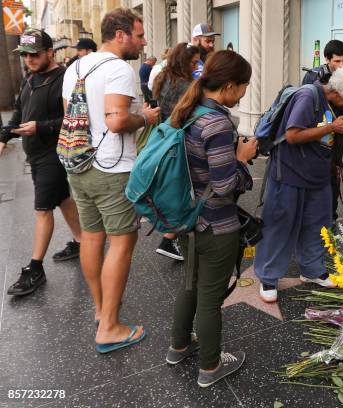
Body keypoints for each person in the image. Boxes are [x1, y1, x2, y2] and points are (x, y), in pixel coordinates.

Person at [62, 8, 160, 353]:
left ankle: (100, 309)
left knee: (92, 236)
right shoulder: (119, 68)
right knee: (121, 243)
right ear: (120, 34)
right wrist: (144, 117)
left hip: (79, 165)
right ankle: (109, 328)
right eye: (139, 34)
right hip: (112, 168)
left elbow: (72, 119)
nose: (143, 41)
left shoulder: (75, 66)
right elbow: (117, 121)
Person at [166, 50, 257, 388]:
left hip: (186, 218)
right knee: (210, 297)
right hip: (216, 224)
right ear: (230, 86)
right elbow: (224, 185)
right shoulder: (217, 122)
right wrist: (243, 159)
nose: (245, 93)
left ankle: (178, 346)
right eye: (244, 86)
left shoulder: (188, 111)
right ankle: (210, 366)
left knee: (189, 285)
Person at [255, 65, 343, 303]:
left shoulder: (332, 104)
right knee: (280, 225)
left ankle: (312, 270)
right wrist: (331, 127)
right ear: (339, 92)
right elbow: (293, 135)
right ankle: (268, 277)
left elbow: (323, 133)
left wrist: (342, 132)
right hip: (290, 173)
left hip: (318, 174)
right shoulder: (308, 96)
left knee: (319, 225)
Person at [0, 29, 82, 297]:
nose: (29, 59)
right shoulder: (30, 80)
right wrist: (4, 137)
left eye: (34, 54)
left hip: (54, 154)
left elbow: (74, 118)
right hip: (35, 154)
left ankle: (35, 268)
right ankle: (82, 241)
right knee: (62, 198)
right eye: (25, 54)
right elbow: (19, 114)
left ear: (50, 52)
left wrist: (41, 128)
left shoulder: (64, 78)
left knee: (42, 209)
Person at [151, 42, 200, 260]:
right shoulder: (185, 84)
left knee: (176, 188)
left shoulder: (163, 78)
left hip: (165, 139)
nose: (196, 65)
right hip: (182, 140)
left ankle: (173, 238)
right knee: (187, 191)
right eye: (193, 62)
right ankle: (169, 238)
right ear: (183, 61)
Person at [301, 39, 343, 228]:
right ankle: (309, 219)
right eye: (337, 61)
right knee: (313, 176)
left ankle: (330, 218)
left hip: (337, 139)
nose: (342, 65)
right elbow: (304, 108)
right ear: (327, 59)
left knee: (334, 177)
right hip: (316, 137)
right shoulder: (312, 77)